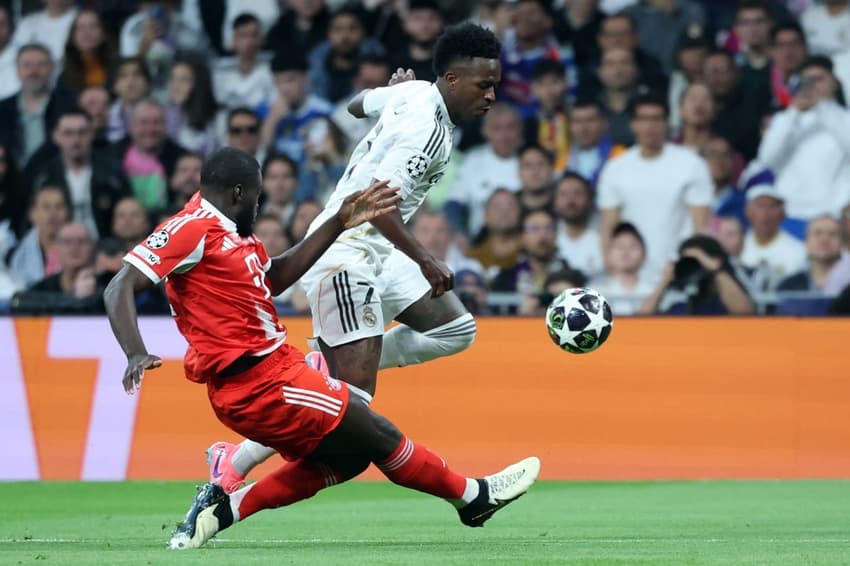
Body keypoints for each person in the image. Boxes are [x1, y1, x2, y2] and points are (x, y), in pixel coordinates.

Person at [103, 147, 539, 550]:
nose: (258, 207)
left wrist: (338, 221)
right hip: (259, 383)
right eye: (255, 198)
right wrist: (134, 351)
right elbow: (120, 284)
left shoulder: (236, 237)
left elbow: (275, 279)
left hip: (274, 371)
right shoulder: (190, 228)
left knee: (348, 459)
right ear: (238, 192)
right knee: (376, 431)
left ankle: (226, 509)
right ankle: (471, 497)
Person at [208, 23, 502, 492]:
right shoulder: (424, 128)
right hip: (345, 253)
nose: (491, 95)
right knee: (353, 404)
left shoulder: (415, 95)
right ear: (451, 79)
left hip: (379, 252)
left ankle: (326, 367)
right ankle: (236, 461)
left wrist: (391, 94)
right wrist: (427, 259)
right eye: (483, 85)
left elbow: (355, 104)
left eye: (495, 85)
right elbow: (373, 202)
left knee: (456, 329)